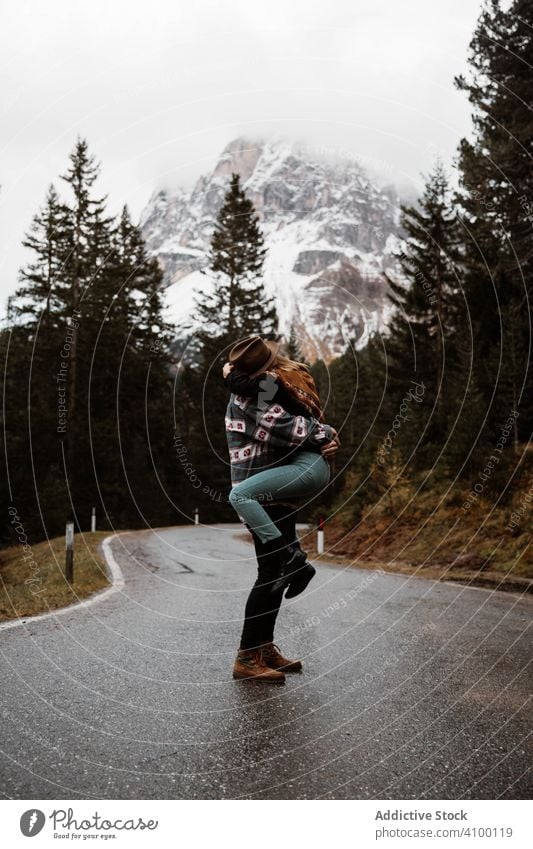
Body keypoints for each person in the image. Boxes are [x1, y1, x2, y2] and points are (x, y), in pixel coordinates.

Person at [223, 335, 340, 683]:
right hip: (260, 491)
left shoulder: (260, 389)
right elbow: (280, 427)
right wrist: (326, 433)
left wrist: (323, 437)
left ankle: (263, 647)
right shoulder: (252, 395)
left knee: (275, 572)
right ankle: (247, 657)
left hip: (274, 490)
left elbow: (288, 426)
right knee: (270, 571)